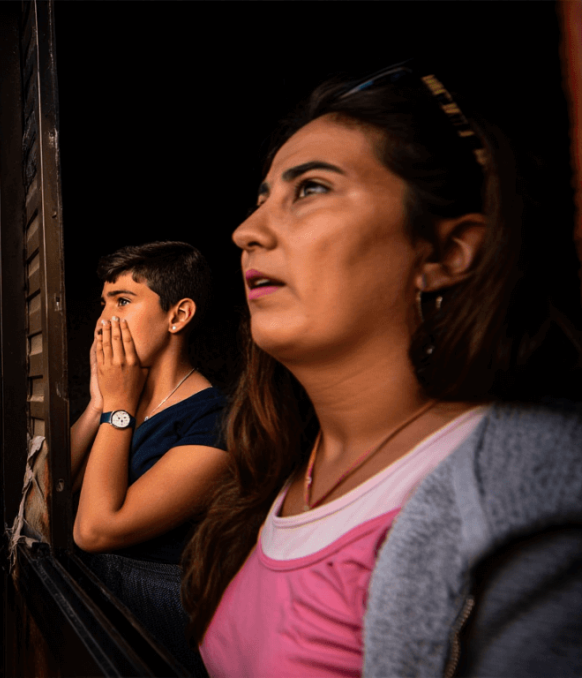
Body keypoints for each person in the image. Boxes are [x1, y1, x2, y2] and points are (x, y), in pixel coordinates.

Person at [182, 63, 582, 677]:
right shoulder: (281, 469)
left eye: (309, 189)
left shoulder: (525, 507)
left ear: (447, 253)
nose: (246, 232)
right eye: (260, 199)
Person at [69, 241, 228, 674]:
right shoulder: (118, 406)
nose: (104, 321)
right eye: (103, 303)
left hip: (156, 634)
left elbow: (95, 531)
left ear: (178, 315)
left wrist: (118, 407)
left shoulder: (216, 422)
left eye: (123, 301)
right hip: (95, 617)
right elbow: (47, 492)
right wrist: (97, 404)